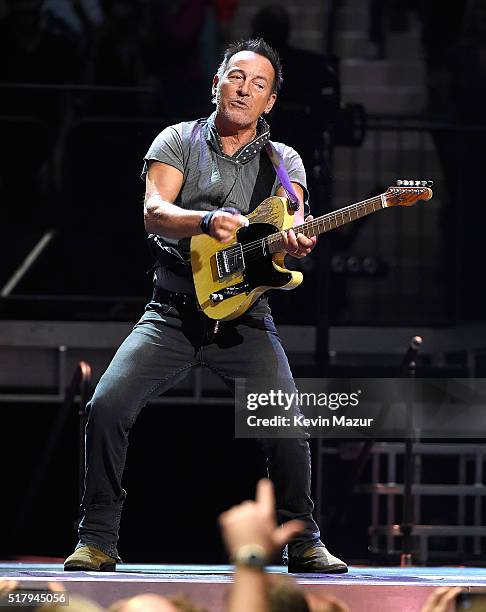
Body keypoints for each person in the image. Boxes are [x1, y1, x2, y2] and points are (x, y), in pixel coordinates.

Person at [63, 38, 348, 574]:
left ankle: (304, 540)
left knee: (287, 424)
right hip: (171, 310)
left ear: (270, 103)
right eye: (236, 77)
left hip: (245, 319)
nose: (245, 89)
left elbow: (290, 228)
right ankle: (98, 538)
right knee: (106, 408)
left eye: (259, 84)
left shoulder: (283, 161)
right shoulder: (178, 140)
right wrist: (204, 221)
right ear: (216, 82)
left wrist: (296, 242)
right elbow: (153, 211)